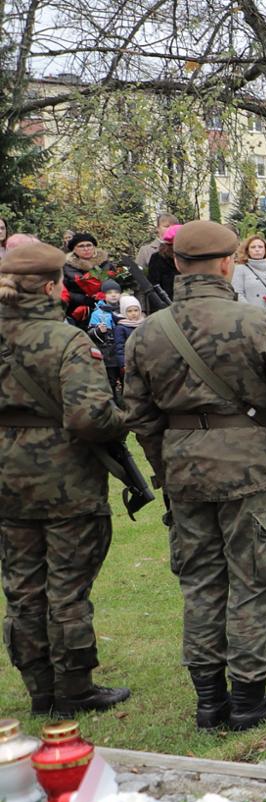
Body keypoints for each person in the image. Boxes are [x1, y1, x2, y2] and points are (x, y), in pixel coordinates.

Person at [122, 220, 266, 731]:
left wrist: (165, 465)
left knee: (201, 585)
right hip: (250, 469)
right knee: (257, 579)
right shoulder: (252, 322)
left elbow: (140, 416)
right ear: (225, 263)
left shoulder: (148, 332)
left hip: (184, 472)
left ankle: (210, 702)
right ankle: (249, 699)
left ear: (176, 266)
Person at [0, 242, 133, 719]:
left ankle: (40, 690)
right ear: (55, 285)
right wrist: (124, 418)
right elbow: (88, 417)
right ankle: (74, 688)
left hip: (6, 481)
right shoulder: (66, 339)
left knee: (22, 586)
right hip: (65, 479)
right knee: (67, 587)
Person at [232, 235, 266, 317]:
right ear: (247, 250)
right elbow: (238, 293)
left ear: (265, 250)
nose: (257, 249)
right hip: (251, 316)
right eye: (253, 247)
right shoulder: (240, 269)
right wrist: (252, 313)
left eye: (260, 247)